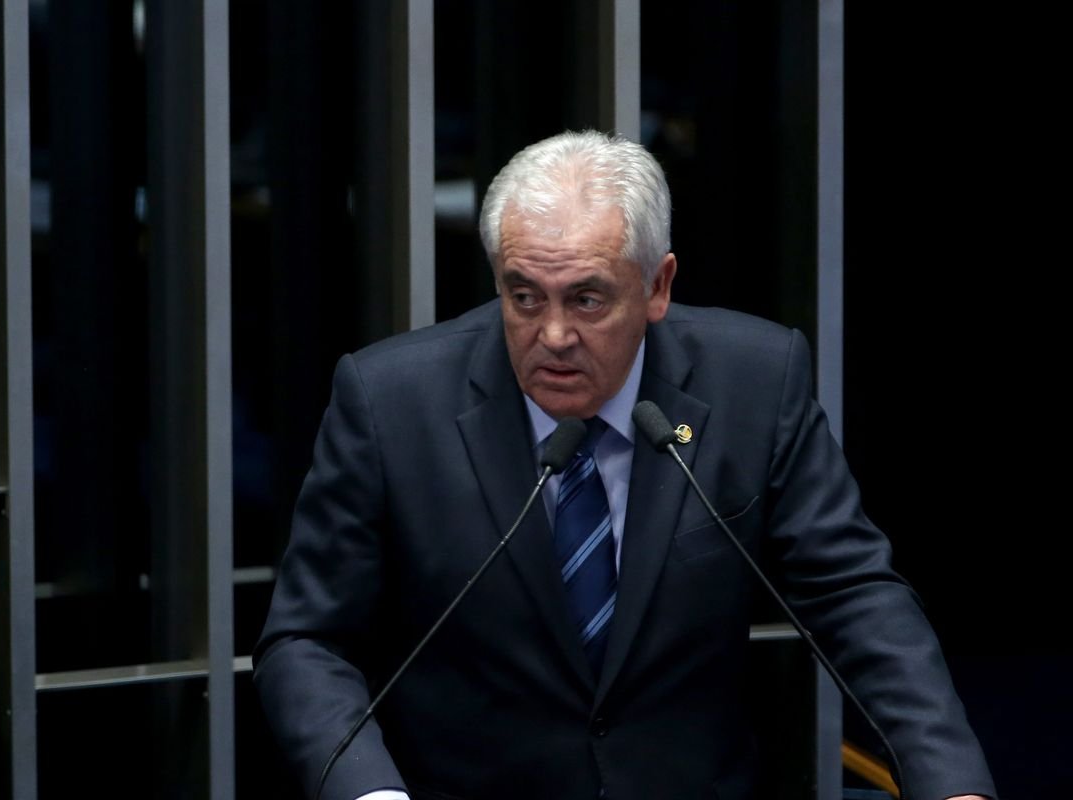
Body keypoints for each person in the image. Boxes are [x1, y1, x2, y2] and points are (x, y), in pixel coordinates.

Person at [252, 130, 996, 800]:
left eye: (586, 300)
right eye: (523, 296)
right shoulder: (391, 404)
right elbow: (306, 641)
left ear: (658, 286)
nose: (553, 335)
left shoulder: (754, 382)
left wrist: (950, 782)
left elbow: (853, 595)